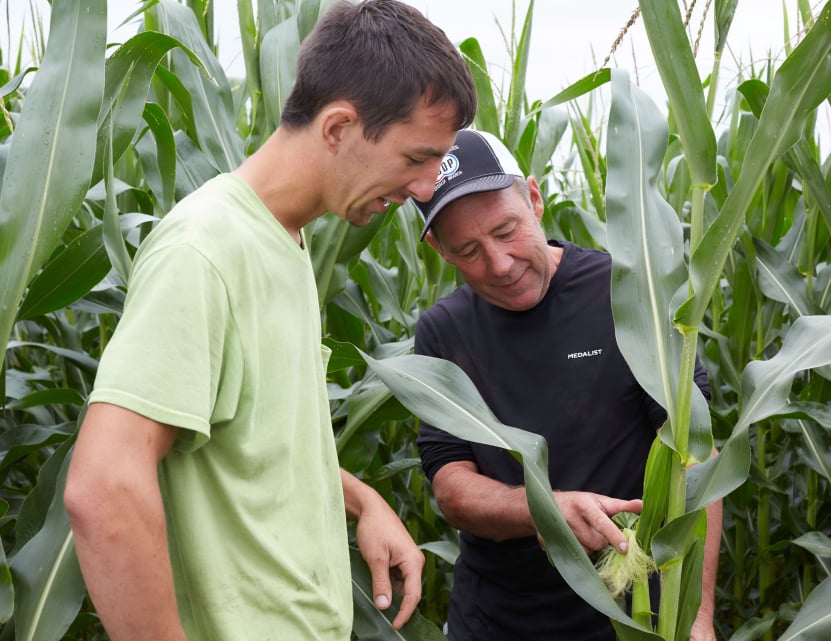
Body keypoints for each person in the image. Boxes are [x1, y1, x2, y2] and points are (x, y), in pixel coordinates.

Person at [63, 3, 477, 640]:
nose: (425, 189)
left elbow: (247, 446)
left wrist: (363, 501)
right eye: (416, 158)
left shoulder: (284, 239)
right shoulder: (204, 252)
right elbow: (103, 484)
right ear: (339, 126)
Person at [412, 129, 722, 641]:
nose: (499, 265)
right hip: (495, 623)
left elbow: (698, 458)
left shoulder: (628, 297)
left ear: (534, 197)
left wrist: (699, 616)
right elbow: (451, 487)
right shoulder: (444, 331)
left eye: (507, 230)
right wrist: (545, 510)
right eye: (467, 250)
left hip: (634, 619)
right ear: (436, 248)